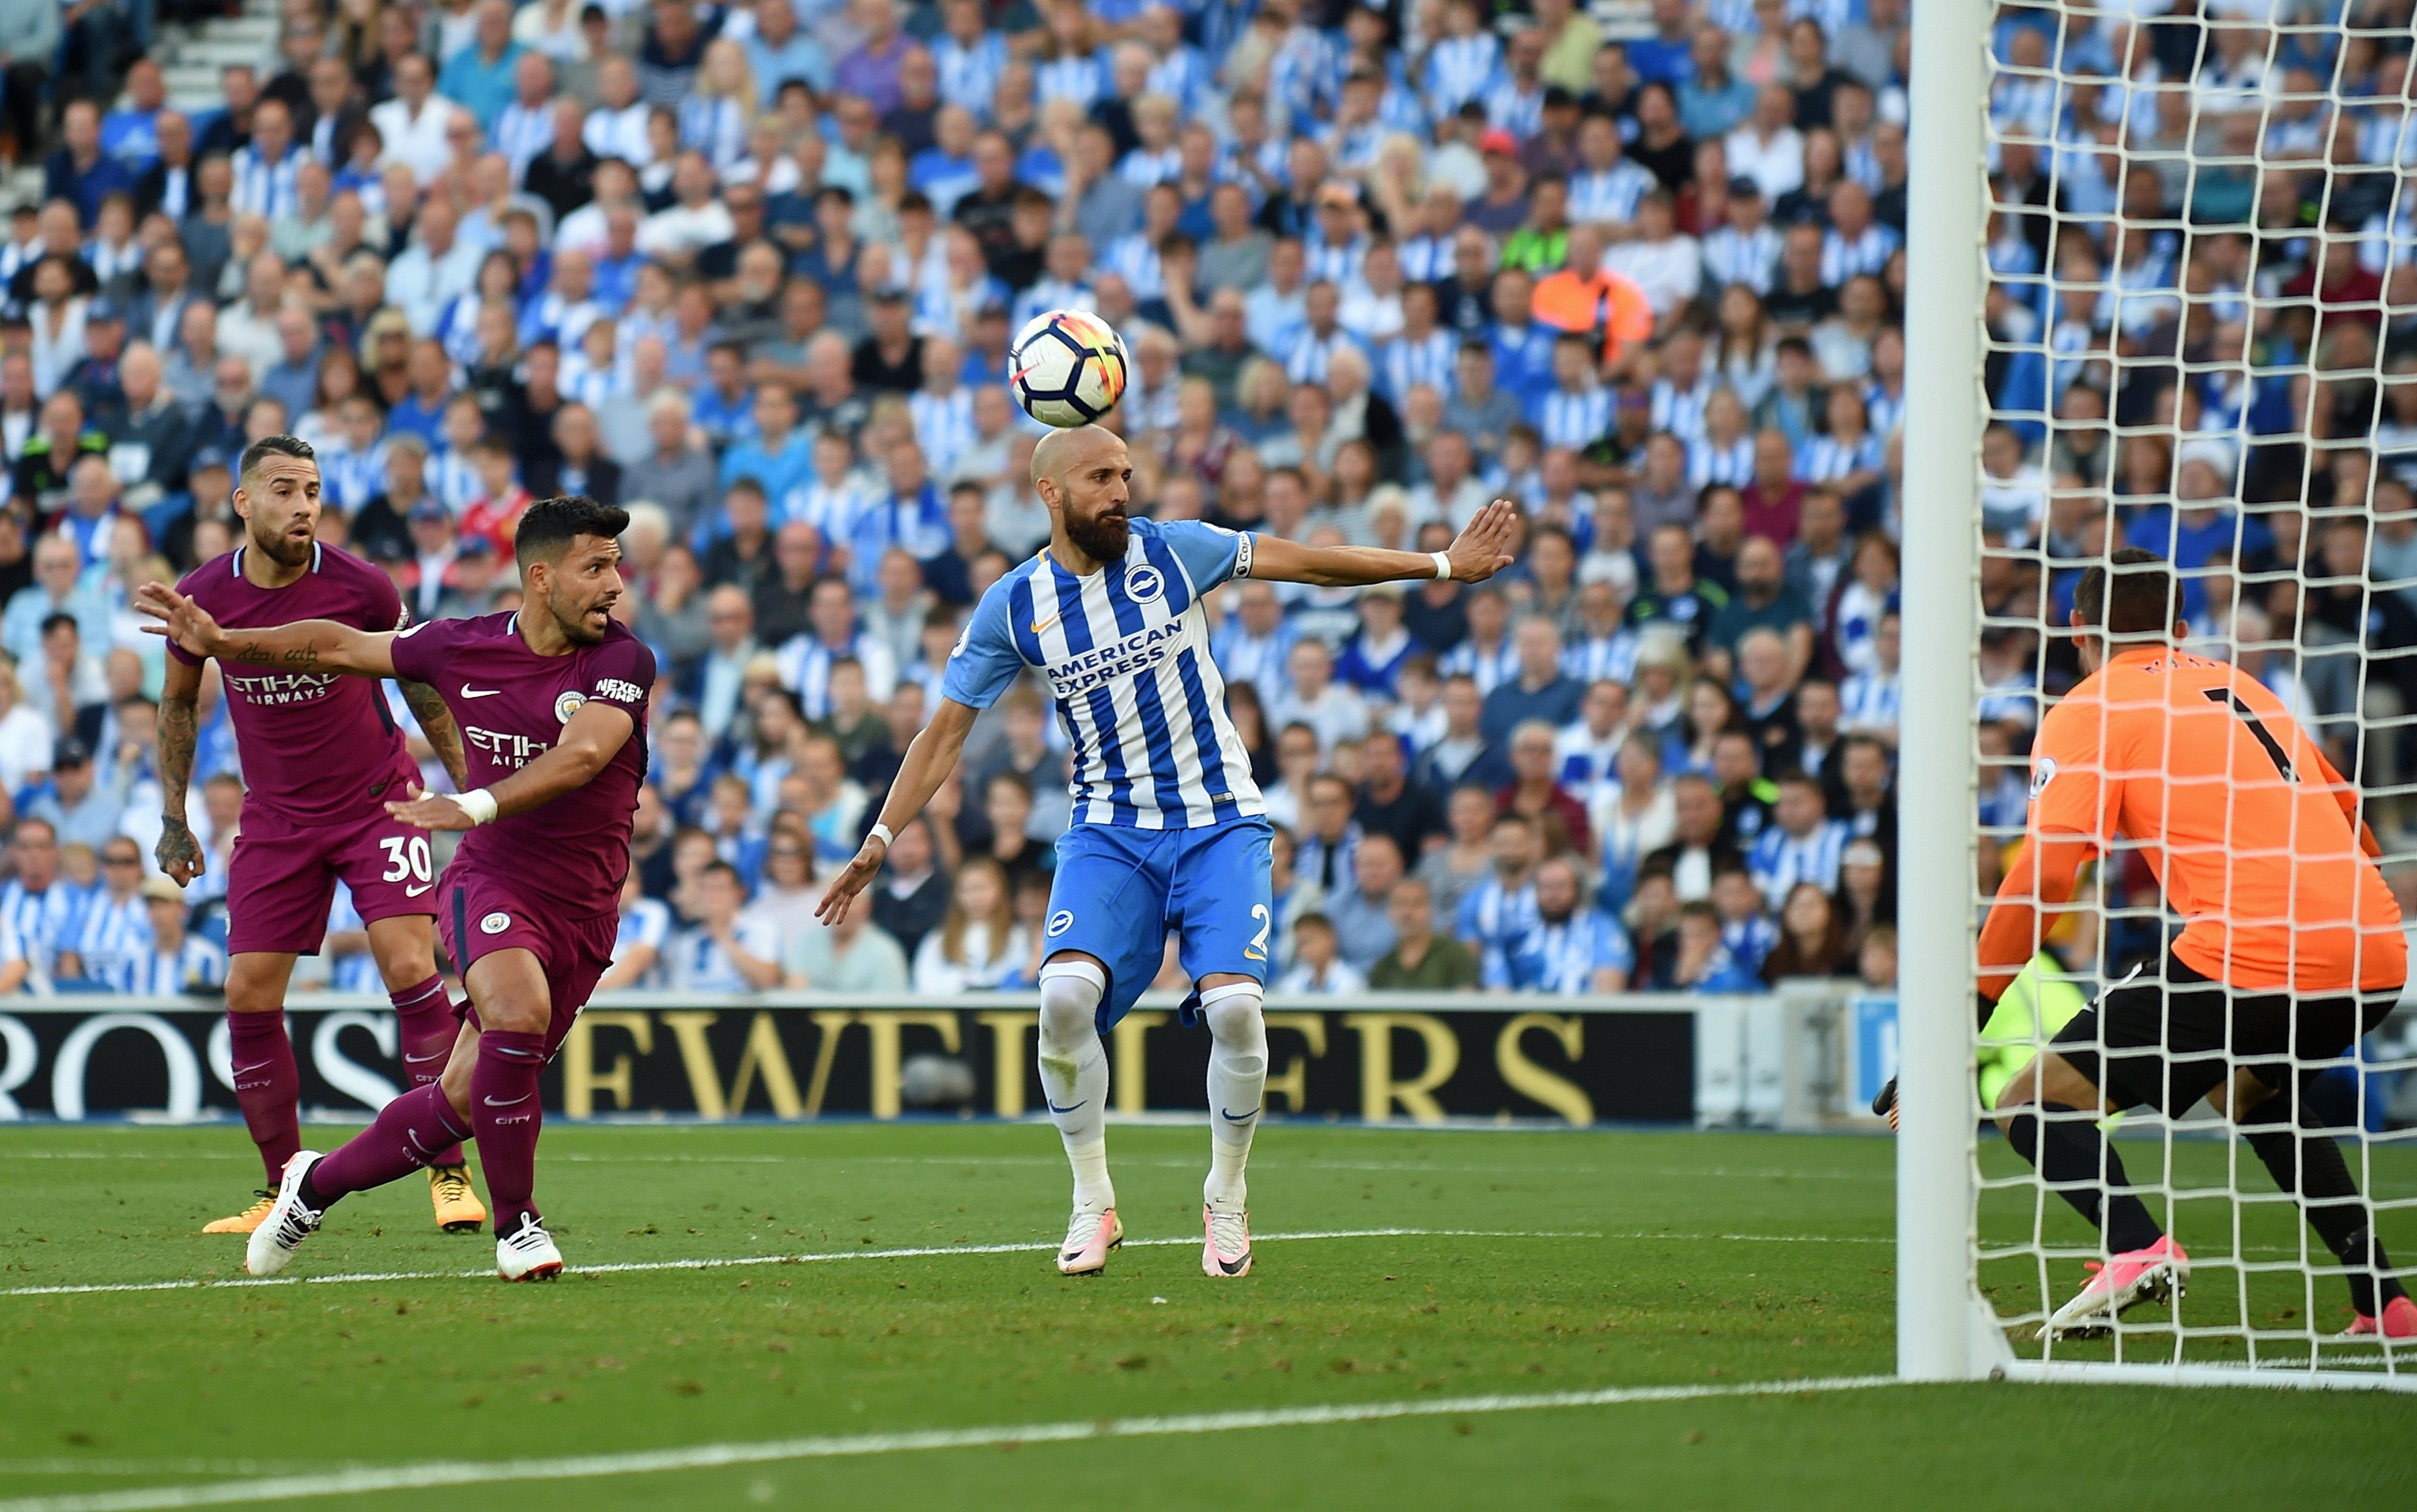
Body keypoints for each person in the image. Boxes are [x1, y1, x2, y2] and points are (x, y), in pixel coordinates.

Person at [816, 423, 1516, 1280]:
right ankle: (1092, 1199)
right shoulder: (1015, 604)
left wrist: (1440, 565)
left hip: (1220, 818)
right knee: (1064, 998)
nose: (1122, 489)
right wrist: (882, 836)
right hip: (1110, 831)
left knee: (1234, 1011)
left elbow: (1313, 562)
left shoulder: (1176, 551)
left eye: (1127, 474)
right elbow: (944, 732)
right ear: (1051, 492)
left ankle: (1225, 1194)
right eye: (1102, 476)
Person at [1884, 550, 2415, 1341]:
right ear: (2180, 626)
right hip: (2375, 952)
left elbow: (2043, 880)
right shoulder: (2248, 688)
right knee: (2249, 1092)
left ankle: (2135, 1244)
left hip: (2254, 949)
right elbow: (2356, 826)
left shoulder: (2090, 708)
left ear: (2075, 630)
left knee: (2029, 1100)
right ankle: (2387, 1301)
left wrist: (1963, 1021)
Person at [141, 495, 655, 1285]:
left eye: (617, 566)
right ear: (542, 576)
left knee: (458, 1100)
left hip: (584, 910)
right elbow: (342, 645)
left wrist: (471, 801)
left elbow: (583, 756)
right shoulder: (462, 646)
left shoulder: (622, 661)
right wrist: (224, 641)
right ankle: (518, 1227)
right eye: (597, 566)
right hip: (493, 879)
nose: (615, 585)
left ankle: (313, 1185)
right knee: (516, 1014)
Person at [150, 436, 482, 1239]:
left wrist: (476, 794)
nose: (303, 506)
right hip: (276, 817)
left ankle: (448, 1171)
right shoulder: (202, 598)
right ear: (242, 501)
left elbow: (422, 689)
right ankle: (281, 1187)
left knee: (408, 961)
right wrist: (173, 817)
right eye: (284, 489)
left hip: (379, 802)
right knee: (248, 992)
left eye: (313, 491)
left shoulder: (361, 586)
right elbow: (177, 707)